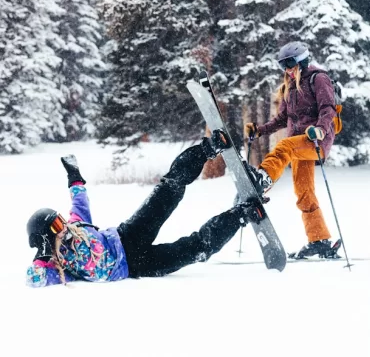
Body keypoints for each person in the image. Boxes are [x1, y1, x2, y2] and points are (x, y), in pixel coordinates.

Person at [26, 131, 263, 287]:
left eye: (61, 220)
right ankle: (242, 214)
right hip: (137, 265)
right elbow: (33, 278)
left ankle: (207, 149)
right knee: (195, 248)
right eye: (56, 226)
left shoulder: (77, 225)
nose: (64, 226)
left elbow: (80, 200)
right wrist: (43, 254)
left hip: (128, 235)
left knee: (169, 189)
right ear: (45, 237)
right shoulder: (58, 267)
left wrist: (74, 176)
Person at [244, 41, 338, 259]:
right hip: (299, 145)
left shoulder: (319, 78)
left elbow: (328, 108)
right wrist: (260, 130)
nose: (286, 68)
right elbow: (283, 118)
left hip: (315, 140)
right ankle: (319, 240)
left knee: (283, 146)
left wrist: (321, 129)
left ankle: (263, 179)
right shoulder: (289, 86)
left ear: (302, 61)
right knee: (304, 192)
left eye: (289, 63)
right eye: (282, 65)